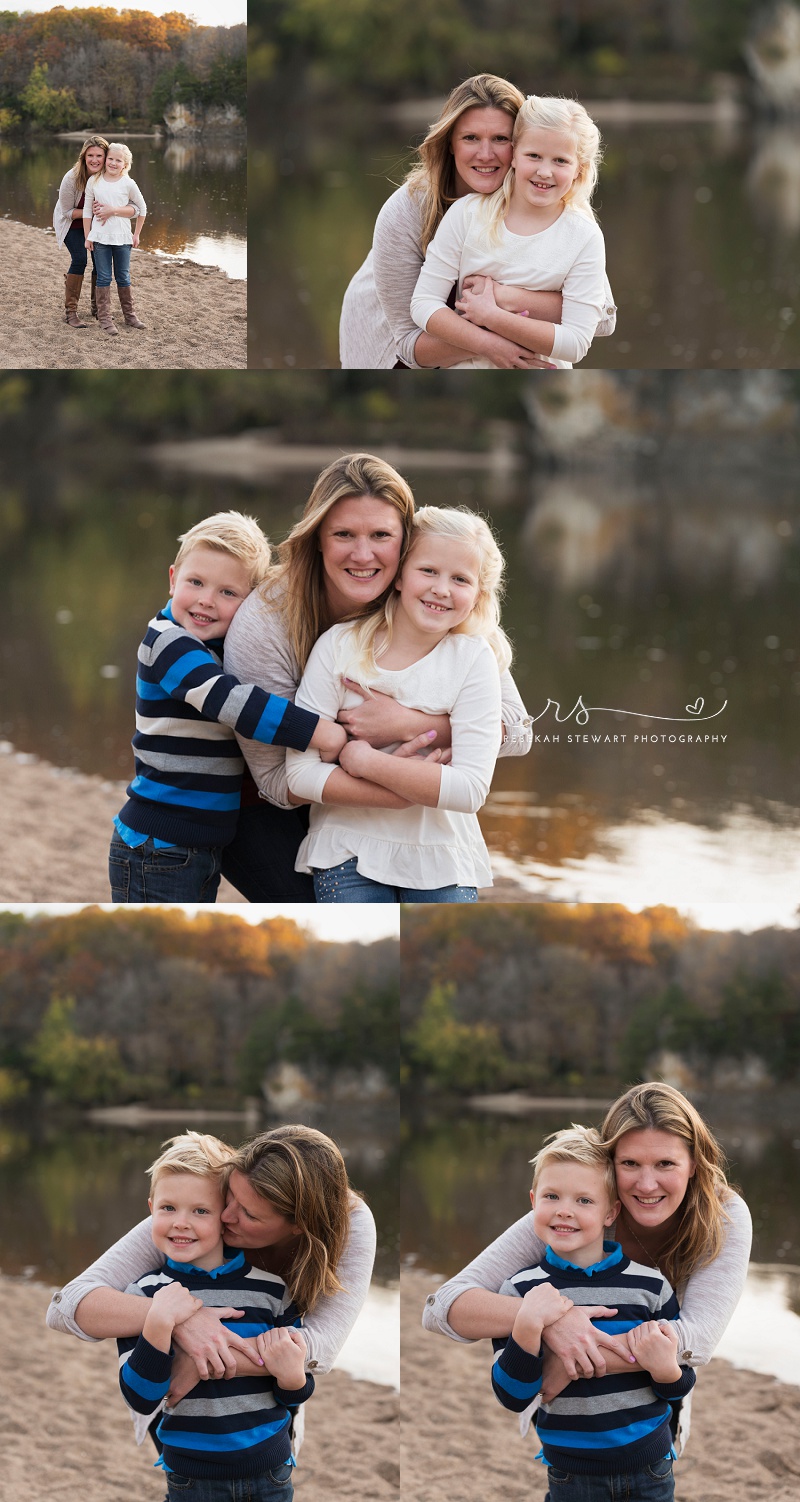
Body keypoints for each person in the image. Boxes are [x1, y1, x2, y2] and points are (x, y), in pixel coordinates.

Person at [221, 453, 533, 901]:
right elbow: (280, 781)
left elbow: (518, 732)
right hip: (264, 805)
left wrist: (409, 725)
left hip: (420, 828)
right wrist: (395, 786)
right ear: (318, 540)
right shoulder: (270, 624)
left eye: (382, 535)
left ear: (405, 546)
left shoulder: (443, 604)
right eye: (344, 534)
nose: (363, 554)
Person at [422, 1083, 752, 1458]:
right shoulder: (575, 1213)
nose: (646, 1184)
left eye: (666, 1164)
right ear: (610, 1165)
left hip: (652, 1401)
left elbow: (697, 1339)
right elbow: (439, 1307)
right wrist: (553, 1319)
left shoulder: (723, 1216)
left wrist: (574, 1362)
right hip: (563, 1417)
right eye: (629, 1164)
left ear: (693, 1163)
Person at [47, 1125, 376, 1459]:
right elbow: (65, 1306)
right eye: (230, 1198)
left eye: (248, 1213)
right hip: (176, 1407)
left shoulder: (348, 1222)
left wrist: (205, 1359)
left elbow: (321, 1346)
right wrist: (183, 1319)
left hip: (261, 1416)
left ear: (298, 1225)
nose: (227, 1216)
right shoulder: (197, 1205)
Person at [108, 510, 346, 904]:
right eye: (196, 582)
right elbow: (231, 701)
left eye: (227, 593)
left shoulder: (213, 646)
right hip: (159, 845)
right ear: (172, 579)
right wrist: (318, 731)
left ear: (250, 603)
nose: (206, 600)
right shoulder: (168, 644)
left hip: (198, 847)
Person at [285, 505, 514, 902]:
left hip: (441, 854)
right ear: (399, 576)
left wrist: (367, 762)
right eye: (428, 571)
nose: (441, 588)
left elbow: (471, 789)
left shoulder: (474, 659)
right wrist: (402, 791)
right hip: (346, 848)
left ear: (478, 595)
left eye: (460, 579)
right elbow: (299, 774)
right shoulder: (340, 646)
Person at [339, 74, 616, 370]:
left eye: (501, 139)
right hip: (392, 340)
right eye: (471, 138)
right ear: (450, 144)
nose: (486, 155)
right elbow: (409, 343)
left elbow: (601, 317)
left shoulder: (557, 204)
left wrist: (503, 299)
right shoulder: (407, 211)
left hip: (482, 331)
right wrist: (494, 343)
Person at [491, 1124, 695, 1501]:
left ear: (610, 1213)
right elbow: (513, 1397)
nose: (565, 1211)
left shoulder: (651, 1286)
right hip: (571, 1474)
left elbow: (680, 1385)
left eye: (584, 1201)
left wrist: (664, 1367)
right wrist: (528, 1321)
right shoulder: (520, 1291)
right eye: (552, 1196)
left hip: (650, 1466)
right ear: (534, 1200)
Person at [117, 1132, 314, 1501]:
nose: (181, 1223)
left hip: (271, 1471)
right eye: (168, 1208)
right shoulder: (143, 1294)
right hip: (191, 1478)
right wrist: (160, 1322)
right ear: (150, 1209)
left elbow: (295, 1394)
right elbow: (141, 1399)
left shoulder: (273, 1290)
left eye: (200, 1211)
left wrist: (290, 1375)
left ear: (225, 1216)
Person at [411, 96, 608, 370]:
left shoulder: (584, 236)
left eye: (561, 161)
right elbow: (423, 304)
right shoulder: (467, 215)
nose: (545, 171)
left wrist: (493, 316)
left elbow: (576, 343)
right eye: (533, 156)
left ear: (579, 170)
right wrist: (487, 342)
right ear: (514, 155)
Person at [53, 136, 137, 328]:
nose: (95, 160)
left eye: (99, 155)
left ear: (106, 157)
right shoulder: (72, 178)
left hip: (98, 225)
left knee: (101, 262)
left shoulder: (115, 176)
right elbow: (66, 212)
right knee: (80, 259)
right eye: (90, 155)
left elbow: (134, 206)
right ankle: (71, 312)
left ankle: (97, 308)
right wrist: (92, 211)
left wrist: (113, 211)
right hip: (71, 224)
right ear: (83, 157)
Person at [83, 142, 148, 335]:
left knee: (123, 276)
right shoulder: (94, 181)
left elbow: (142, 209)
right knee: (103, 276)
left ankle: (130, 316)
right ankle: (104, 318)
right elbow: (87, 210)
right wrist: (88, 236)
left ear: (125, 164)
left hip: (123, 239)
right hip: (100, 238)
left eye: (118, 160)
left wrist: (136, 235)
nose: (113, 163)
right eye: (110, 158)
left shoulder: (128, 183)